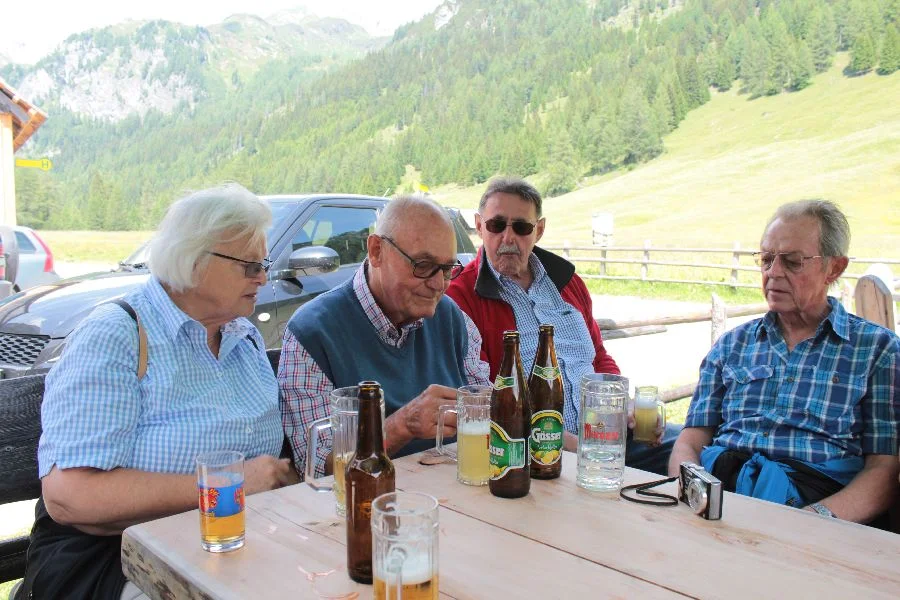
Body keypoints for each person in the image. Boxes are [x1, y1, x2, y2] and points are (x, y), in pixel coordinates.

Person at [20, 184, 297, 600]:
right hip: (118, 559)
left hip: (230, 545)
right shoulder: (117, 334)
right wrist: (227, 484)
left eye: (264, 264)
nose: (263, 277)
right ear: (195, 261)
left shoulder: (242, 336)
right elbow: (71, 497)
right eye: (250, 266)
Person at [669, 199, 900, 524]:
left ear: (834, 268)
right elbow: (690, 441)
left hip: (818, 511)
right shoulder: (733, 345)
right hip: (717, 501)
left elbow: (883, 472)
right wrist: (693, 491)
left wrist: (811, 523)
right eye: (766, 260)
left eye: (792, 262)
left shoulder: (876, 350)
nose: (773, 273)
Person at [446, 177, 679, 475]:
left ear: (539, 230)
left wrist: (626, 406)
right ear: (479, 226)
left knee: (687, 452)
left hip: (603, 436)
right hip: (533, 450)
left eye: (521, 227)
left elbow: (598, 357)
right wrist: (567, 443)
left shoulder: (568, 284)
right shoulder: (462, 295)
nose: (507, 238)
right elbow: (480, 397)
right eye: (496, 225)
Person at [280, 194, 490, 476]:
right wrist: (402, 425)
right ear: (377, 251)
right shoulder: (312, 333)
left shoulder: (451, 317)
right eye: (423, 266)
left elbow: (488, 408)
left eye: (447, 269)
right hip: (366, 506)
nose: (438, 284)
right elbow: (319, 468)